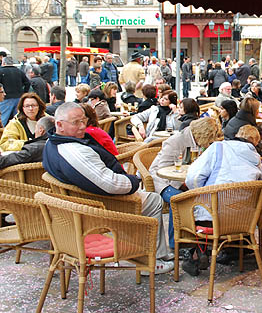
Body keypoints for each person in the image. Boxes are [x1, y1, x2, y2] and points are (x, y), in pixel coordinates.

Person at [43, 102, 173, 274]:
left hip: (82, 201)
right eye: (76, 123)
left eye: (84, 120)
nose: (82, 126)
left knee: (147, 197)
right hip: (99, 207)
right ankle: (151, 261)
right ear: (59, 125)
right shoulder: (74, 151)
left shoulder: (51, 143)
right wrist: (133, 181)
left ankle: (159, 252)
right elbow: (110, 184)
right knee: (154, 200)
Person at [182, 124, 262, 275]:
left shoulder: (218, 148)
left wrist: (199, 192)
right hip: (244, 220)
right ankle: (206, 250)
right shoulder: (257, 160)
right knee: (210, 205)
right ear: (255, 143)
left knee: (186, 204)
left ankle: (194, 252)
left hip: (213, 217)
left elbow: (194, 177)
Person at [148, 117, 221, 263]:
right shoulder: (177, 141)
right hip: (164, 181)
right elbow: (162, 168)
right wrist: (183, 183)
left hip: (185, 180)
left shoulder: (198, 141)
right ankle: (177, 244)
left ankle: (199, 244)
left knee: (203, 199)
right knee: (180, 200)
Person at [0, 56, 31, 126]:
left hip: (5, 98)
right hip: (19, 97)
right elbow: (27, 83)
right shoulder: (19, 71)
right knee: (18, 119)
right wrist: (24, 93)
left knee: (3, 119)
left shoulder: (1, 71)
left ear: (3, 62)